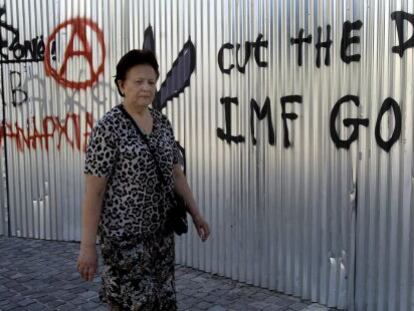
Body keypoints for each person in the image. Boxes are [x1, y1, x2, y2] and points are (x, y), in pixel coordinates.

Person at [76, 49, 210, 311]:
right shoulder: (108, 128)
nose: (146, 88)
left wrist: (197, 214)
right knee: (133, 303)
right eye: (138, 81)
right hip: (124, 239)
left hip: (160, 236)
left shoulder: (162, 123)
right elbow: (94, 192)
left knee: (163, 300)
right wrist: (87, 246)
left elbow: (176, 172)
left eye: (151, 81)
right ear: (121, 85)